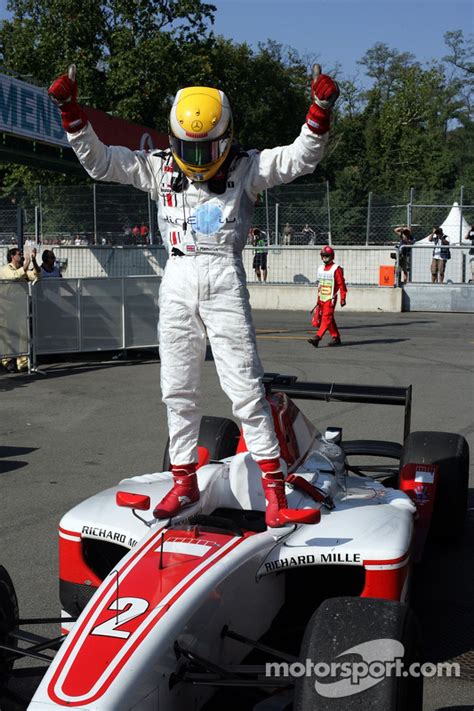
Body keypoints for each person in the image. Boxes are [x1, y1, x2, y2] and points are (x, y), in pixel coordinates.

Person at [49, 63, 339, 527]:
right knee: (177, 389)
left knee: (245, 388)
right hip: (179, 275)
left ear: (225, 139)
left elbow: (299, 157)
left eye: (206, 147)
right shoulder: (158, 166)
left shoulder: (247, 167)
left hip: (224, 274)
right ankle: (183, 481)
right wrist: (71, 112)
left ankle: (275, 493)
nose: (197, 155)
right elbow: (100, 162)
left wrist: (319, 111)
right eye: (188, 146)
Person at [0, 247, 41, 372]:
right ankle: (6, 360)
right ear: (12, 256)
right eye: (19, 254)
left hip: (20, 306)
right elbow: (13, 277)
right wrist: (25, 267)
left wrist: (33, 261)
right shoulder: (4, 269)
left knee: (23, 334)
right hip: (6, 307)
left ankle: (22, 362)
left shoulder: (22, 270)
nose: (21, 255)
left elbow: (36, 275)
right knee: (7, 334)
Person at [308, 246, 347, 348]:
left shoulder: (336, 269)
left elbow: (341, 284)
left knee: (326, 318)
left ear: (332, 256)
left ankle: (317, 337)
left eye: (327, 256)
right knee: (329, 319)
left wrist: (343, 298)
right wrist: (318, 300)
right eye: (323, 256)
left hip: (331, 298)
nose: (325, 258)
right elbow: (320, 285)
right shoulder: (320, 268)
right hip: (322, 298)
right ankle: (336, 337)